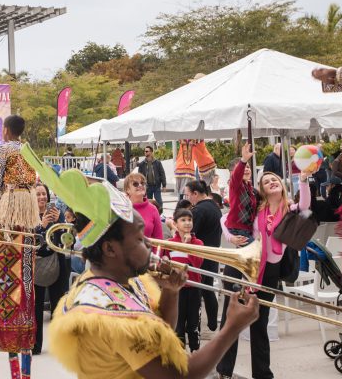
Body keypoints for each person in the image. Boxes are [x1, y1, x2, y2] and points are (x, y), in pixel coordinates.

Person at [18, 143, 260, 379]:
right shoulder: (109, 313)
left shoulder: (122, 281)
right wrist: (231, 327)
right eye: (138, 238)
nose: (148, 243)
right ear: (110, 249)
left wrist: (171, 291)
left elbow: (159, 336)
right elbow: (178, 374)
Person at [216, 170, 310, 379]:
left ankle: (262, 374)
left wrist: (303, 180)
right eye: (266, 182)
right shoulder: (256, 207)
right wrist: (231, 237)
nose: (271, 182)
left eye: (274, 179)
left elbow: (305, 205)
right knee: (231, 320)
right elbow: (224, 219)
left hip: (269, 271)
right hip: (242, 265)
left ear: (281, 185)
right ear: (263, 190)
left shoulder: (289, 210)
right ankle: (224, 371)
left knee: (260, 321)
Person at [0, 115, 40, 378]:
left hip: (11, 207)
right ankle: (24, 368)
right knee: (25, 270)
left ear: (6, 130)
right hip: (29, 207)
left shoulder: (3, 149)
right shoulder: (29, 150)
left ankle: (17, 370)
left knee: (5, 267)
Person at [161, 208, 203, 351]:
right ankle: (179, 356)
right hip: (176, 290)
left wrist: (187, 246)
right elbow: (164, 266)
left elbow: (197, 263)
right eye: (183, 220)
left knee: (193, 325)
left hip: (193, 288)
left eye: (189, 220)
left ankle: (195, 353)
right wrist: (164, 261)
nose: (187, 223)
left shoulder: (198, 243)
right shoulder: (170, 243)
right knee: (177, 326)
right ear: (175, 224)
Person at [32, 183, 68, 355]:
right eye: (38, 194)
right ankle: (35, 345)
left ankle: (59, 344)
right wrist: (41, 225)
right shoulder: (29, 215)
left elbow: (65, 239)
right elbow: (29, 241)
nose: (41, 197)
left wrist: (60, 221)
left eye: (44, 194)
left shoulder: (56, 214)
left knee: (57, 306)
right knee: (36, 307)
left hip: (56, 263)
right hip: (36, 265)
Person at [182, 180, 222, 333]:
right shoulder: (214, 206)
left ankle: (195, 325)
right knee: (208, 289)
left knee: (197, 291)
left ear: (195, 193)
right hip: (213, 253)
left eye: (188, 194)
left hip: (201, 255)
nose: (187, 198)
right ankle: (212, 323)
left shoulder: (198, 210)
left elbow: (191, 233)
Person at [123, 172, 163, 241]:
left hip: (148, 248)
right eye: (135, 184)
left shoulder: (153, 209)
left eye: (142, 183)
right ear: (127, 190)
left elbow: (159, 238)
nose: (140, 185)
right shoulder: (122, 208)